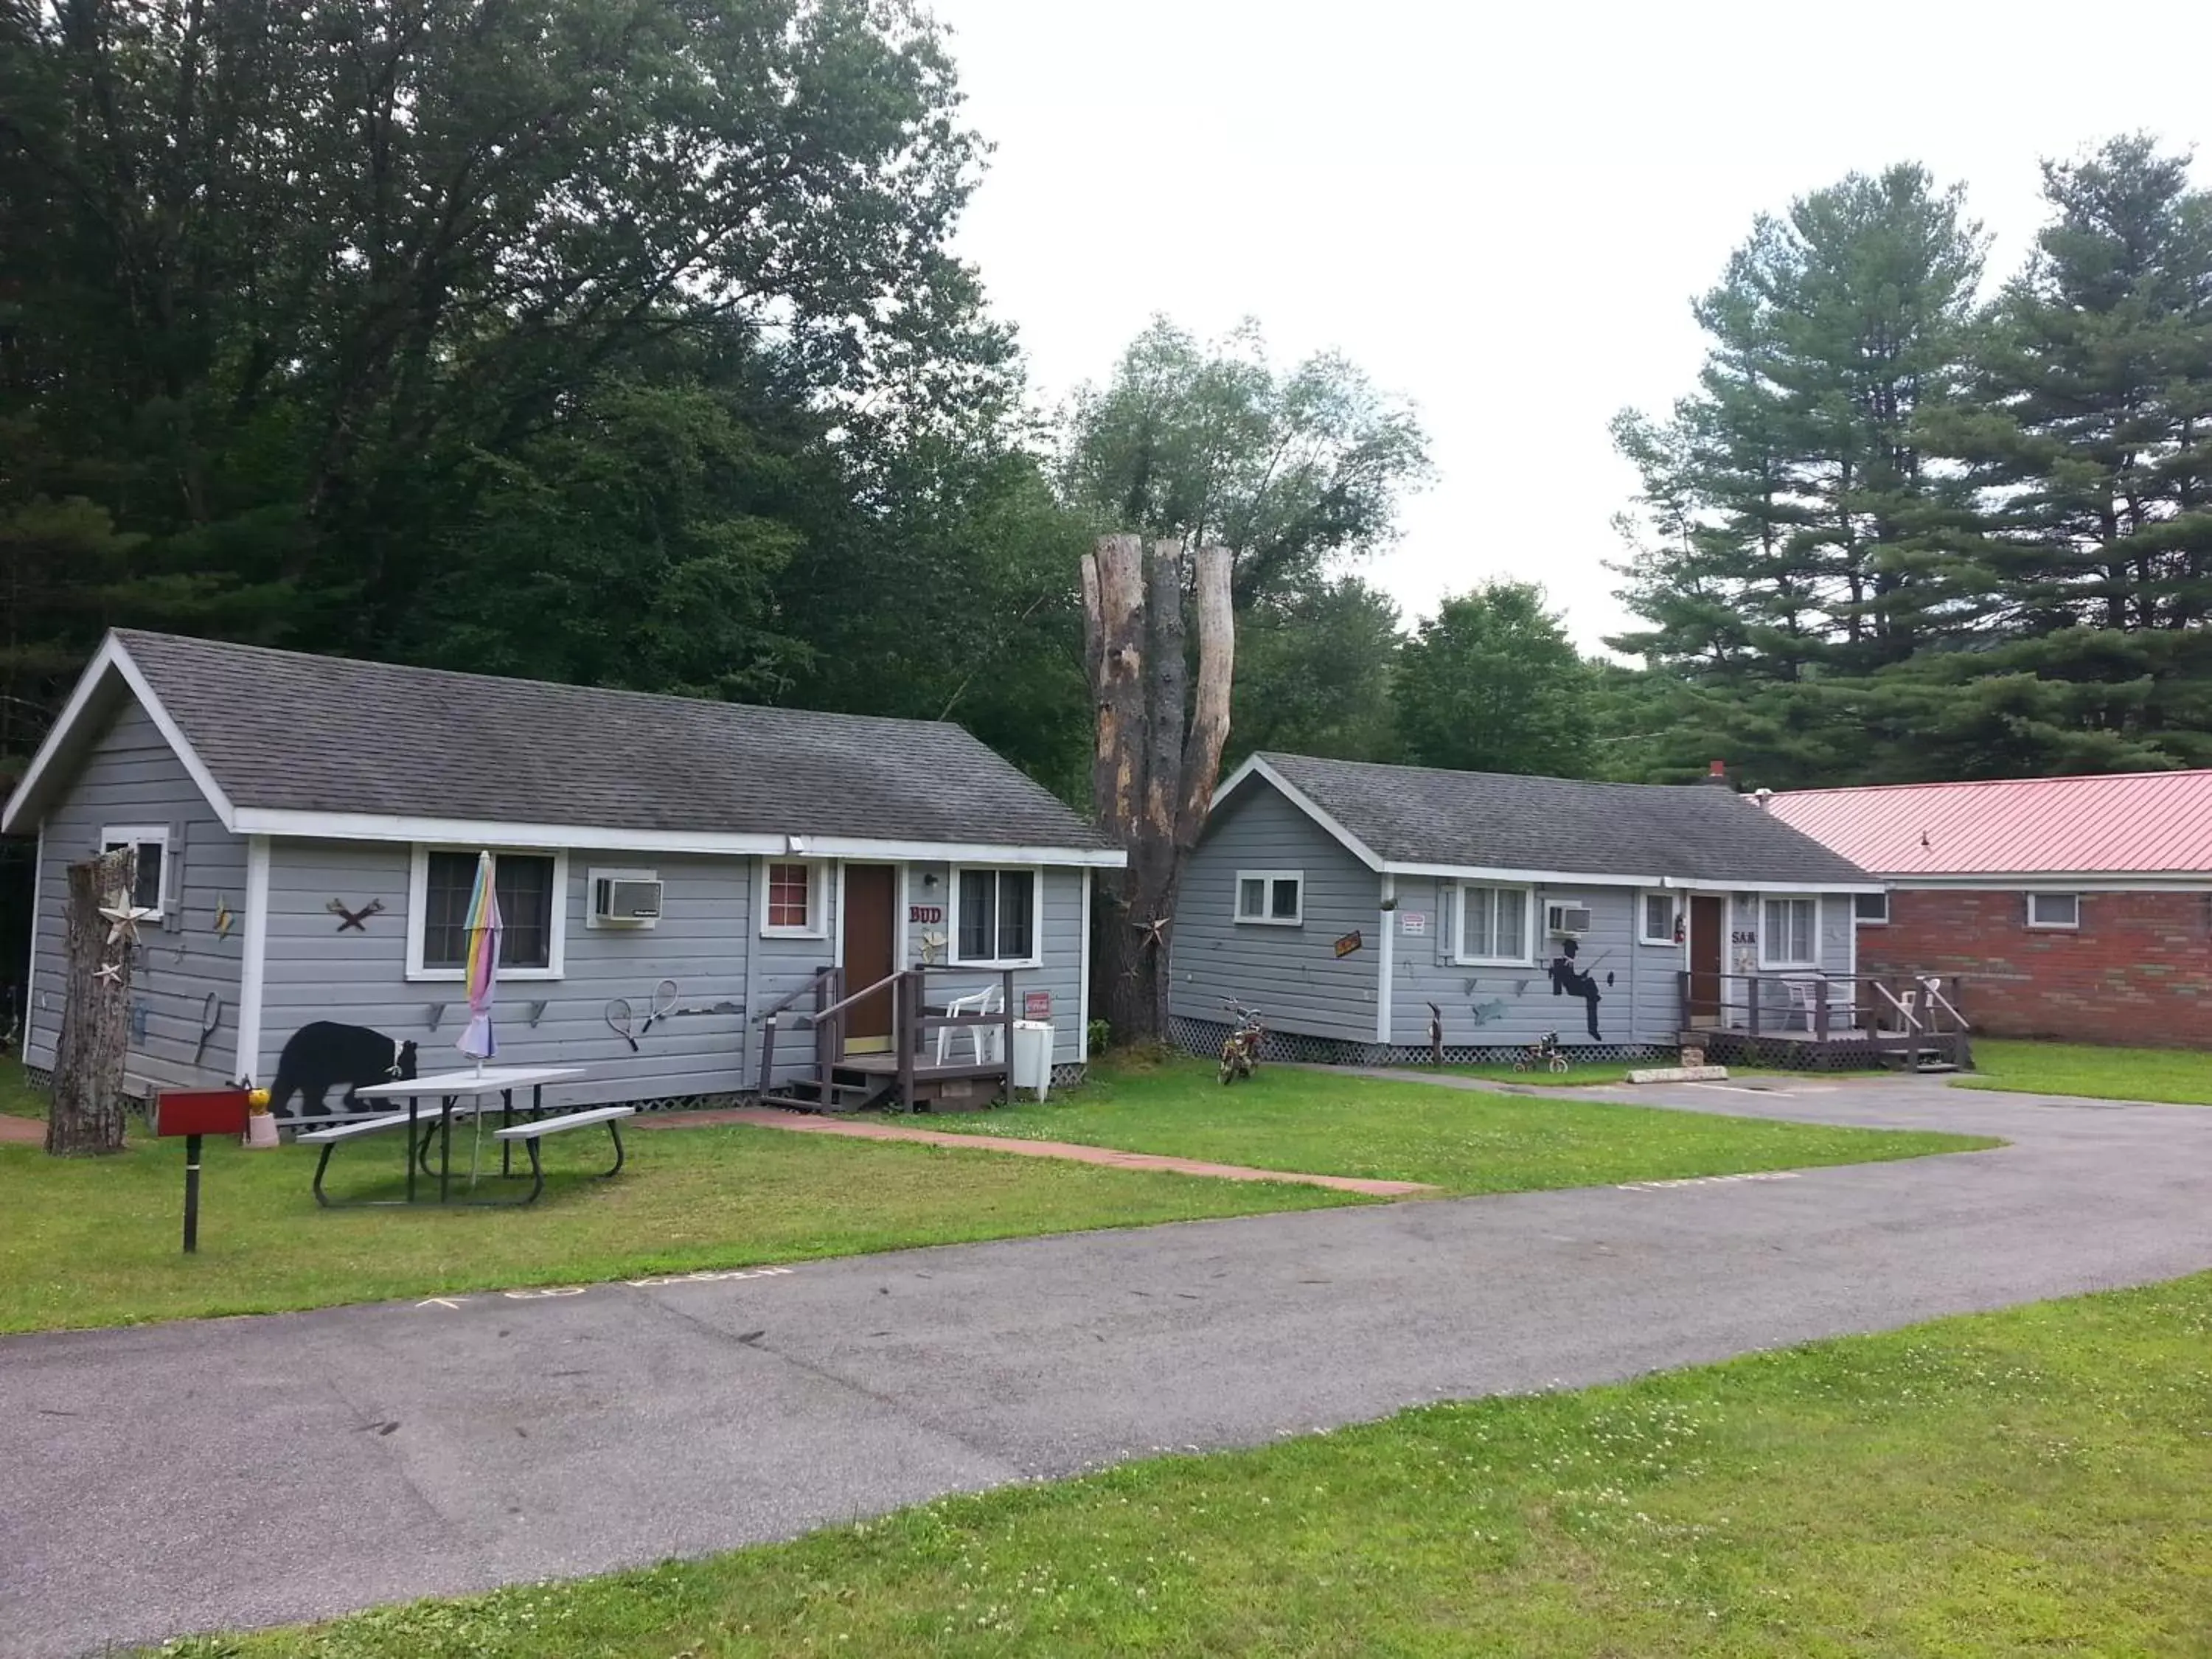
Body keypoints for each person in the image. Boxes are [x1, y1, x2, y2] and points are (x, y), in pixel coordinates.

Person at [1547, 938, 1604, 1040]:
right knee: (1591, 991)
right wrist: (1579, 979)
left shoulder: (1570, 962)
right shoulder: (1562, 963)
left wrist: (1581, 977)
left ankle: (1594, 998)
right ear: (1567, 950)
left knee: (1590, 983)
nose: (1574, 954)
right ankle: (1594, 999)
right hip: (1571, 988)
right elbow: (1566, 980)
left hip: (1574, 984)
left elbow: (1572, 977)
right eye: (1572, 951)